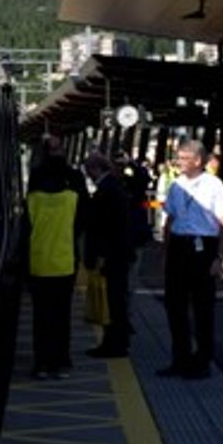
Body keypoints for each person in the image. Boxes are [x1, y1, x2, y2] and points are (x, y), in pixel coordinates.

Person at [158, 138, 223, 379]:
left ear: (198, 160)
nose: (178, 162)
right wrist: (166, 253)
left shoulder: (213, 185)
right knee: (175, 305)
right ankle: (180, 358)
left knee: (202, 307)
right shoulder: (176, 185)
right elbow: (169, 220)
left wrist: (219, 257)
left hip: (203, 247)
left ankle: (202, 361)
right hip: (180, 244)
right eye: (178, 158)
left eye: (183, 158)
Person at [24, 148, 85, 380]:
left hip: (38, 265)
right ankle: (60, 362)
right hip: (64, 264)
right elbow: (79, 228)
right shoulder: (72, 199)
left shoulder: (32, 201)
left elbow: (24, 234)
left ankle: (41, 363)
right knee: (62, 316)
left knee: (40, 318)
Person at [80, 152, 141, 358]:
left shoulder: (106, 191)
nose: (88, 174)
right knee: (117, 300)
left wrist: (98, 256)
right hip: (119, 254)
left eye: (89, 170)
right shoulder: (114, 187)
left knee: (112, 302)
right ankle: (118, 341)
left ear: (96, 169)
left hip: (112, 256)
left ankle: (113, 344)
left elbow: (102, 228)